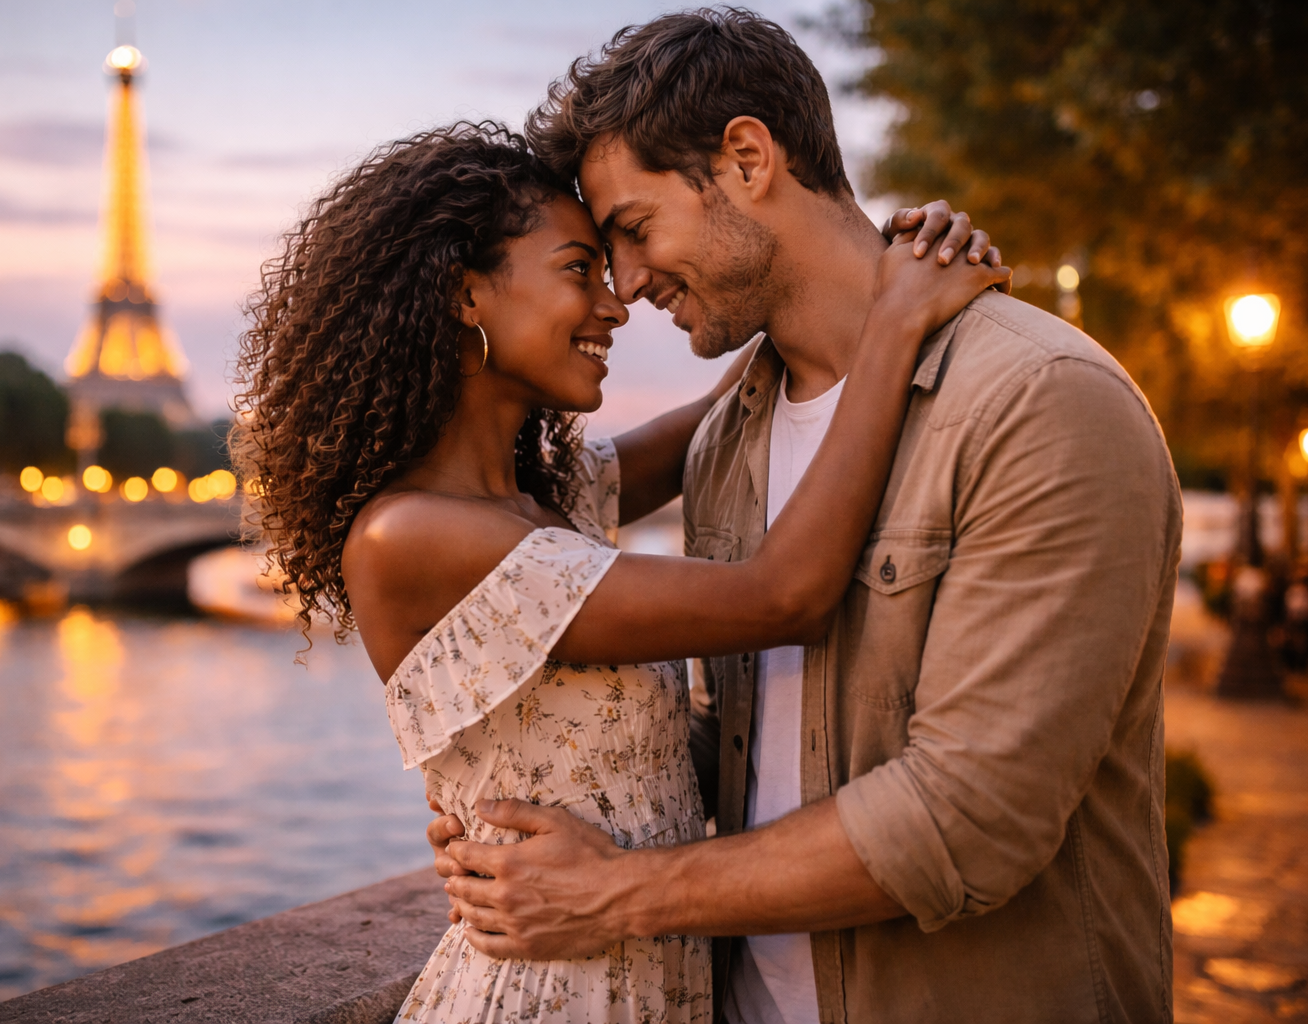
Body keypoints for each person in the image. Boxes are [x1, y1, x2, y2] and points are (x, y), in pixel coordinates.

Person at [430, 10, 1182, 1024]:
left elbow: (970, 819)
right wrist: (527, 809)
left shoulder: (1039, 401)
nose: (629, 284)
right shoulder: (725, 443)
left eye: (635, 231)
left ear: (746, 159)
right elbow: (748, 742)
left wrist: (618, 892)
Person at [232, 119, 1005, 1023]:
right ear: (465, 292)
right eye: (577, 271)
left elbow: (749, 383)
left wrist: (856, 266)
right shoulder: (409, 538)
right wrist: (900, 319)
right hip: (547, 998)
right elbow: (784, 595)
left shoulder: (551, 497)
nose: (615, 304)